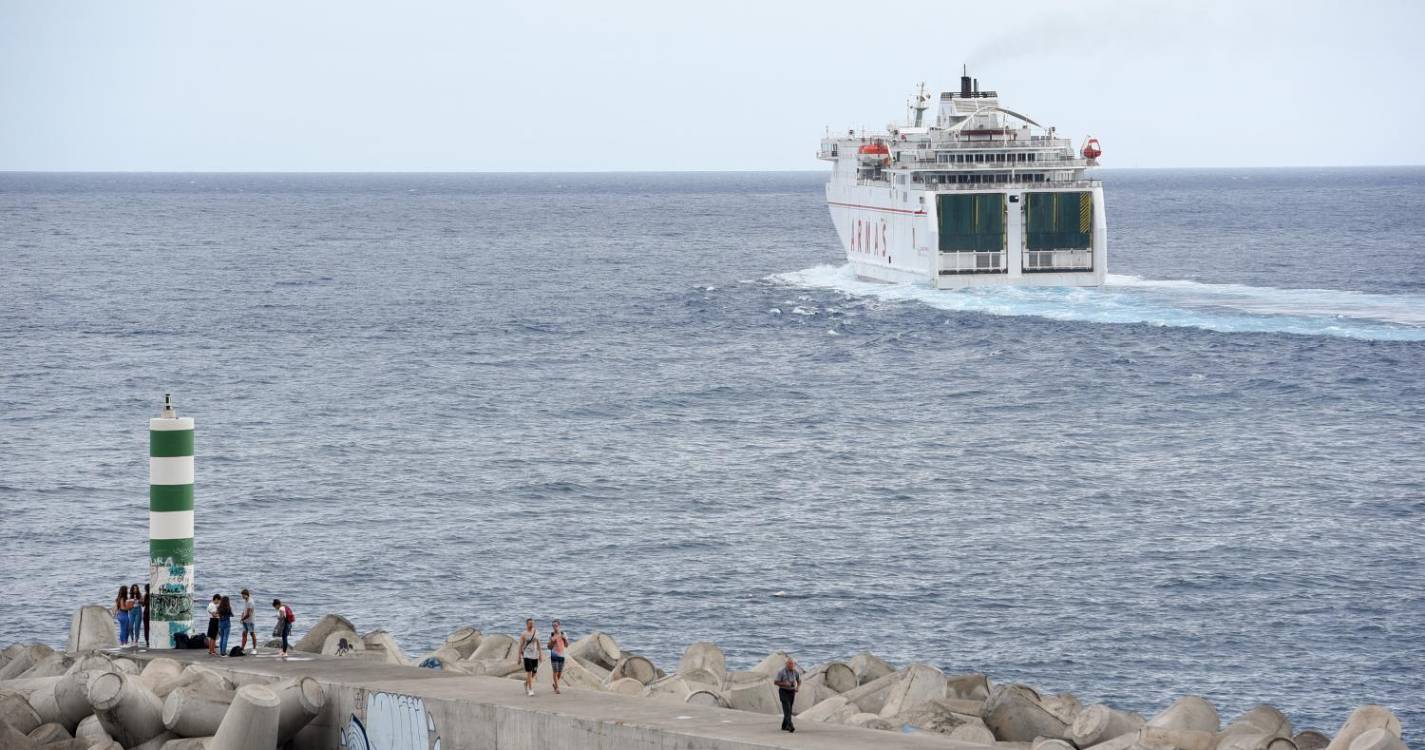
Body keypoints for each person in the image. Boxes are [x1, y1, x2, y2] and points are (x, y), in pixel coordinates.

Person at [773, 656, 801, 733]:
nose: (791, 665)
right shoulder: (781, 672)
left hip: (792, 692)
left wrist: (797, 687)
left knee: (789, 709)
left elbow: (799, 681)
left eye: (792, 664)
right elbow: (775, 682)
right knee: (787, 708)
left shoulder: (796, 672)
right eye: (789, 664)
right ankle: (790, 725)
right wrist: (784, 683)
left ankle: (784, 725)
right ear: (786, 664)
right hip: (783, 691)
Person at [517, 618, 542, 697]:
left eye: (533, 623)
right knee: (529, 671)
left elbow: (538, 644)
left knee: (534, 672)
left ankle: (526, 683)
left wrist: (540, 654)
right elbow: (520, 645)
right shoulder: (524, 634)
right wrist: (519, 657)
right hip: (527, 655)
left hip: (535, 655)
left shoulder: (536, 632)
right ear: (527, 624)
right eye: (530, 623)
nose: (532, 625)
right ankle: (530, 689)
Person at [546, 620, 569, 695]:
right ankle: (557, 688)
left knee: (560, 672)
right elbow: (549, 647)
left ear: (559, 625)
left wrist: (564, 639)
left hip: (562, 655)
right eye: (553, 626)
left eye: (556, 625)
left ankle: (555, 684)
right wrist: (552, 641)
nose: (555, 627)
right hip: (554, 655)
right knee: (555, 671)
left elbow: (567, 645)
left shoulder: (563, 634)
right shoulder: (551, 635)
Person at [238, 589, 257, 654]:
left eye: (243, 595)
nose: (242, 596)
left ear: (246, 595)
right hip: (245, 620)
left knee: (252, 634)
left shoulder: (250, 602)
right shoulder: (246, 601)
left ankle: (254, 649)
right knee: (244, 634)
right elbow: (245, 610)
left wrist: (242, 619)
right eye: (242, 595)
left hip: (250, 621)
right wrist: (242, 615)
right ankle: (242, 648)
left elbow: (249, 614)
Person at [127, 584, 143, 649]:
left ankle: (136, 640)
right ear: (132, 589)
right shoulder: (129, 596)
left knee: (137, 626)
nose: (135, 590)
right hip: (131, 611)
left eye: (136, 588)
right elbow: (127, 604)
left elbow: (143, 602)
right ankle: (132, 639)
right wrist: (130, 601)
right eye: (134, 588)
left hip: (138, 610)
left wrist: (138, 600)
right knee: (130, 626)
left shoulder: (140, 594)